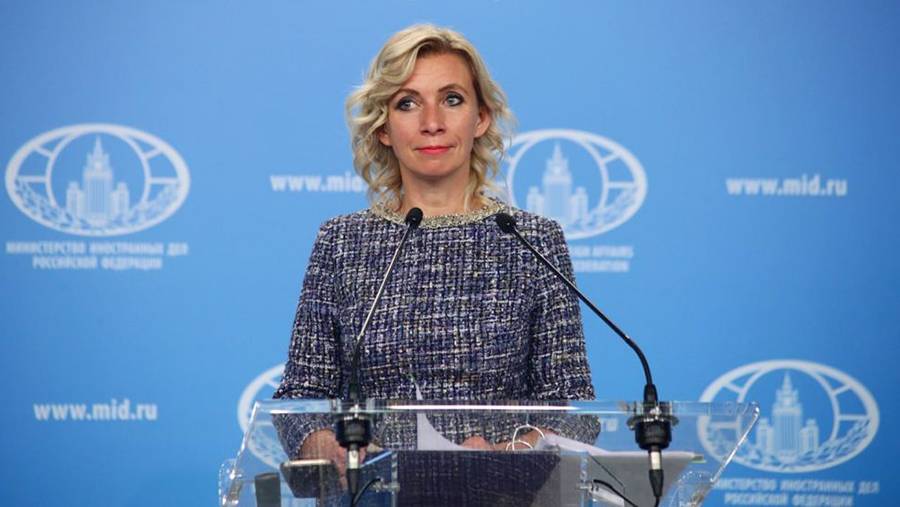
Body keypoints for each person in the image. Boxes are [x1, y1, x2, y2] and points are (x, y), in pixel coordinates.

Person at [273, 24, 595, 471]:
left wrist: (509, 455)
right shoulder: (342, 242)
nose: (432, 123)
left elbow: (572, 408)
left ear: (481, 118)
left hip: (504, 493)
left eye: (452, 99)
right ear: (383, 128)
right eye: (407, 103)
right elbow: (300, 401)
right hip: (376, 492)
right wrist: (331, 447)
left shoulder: (532, 240)